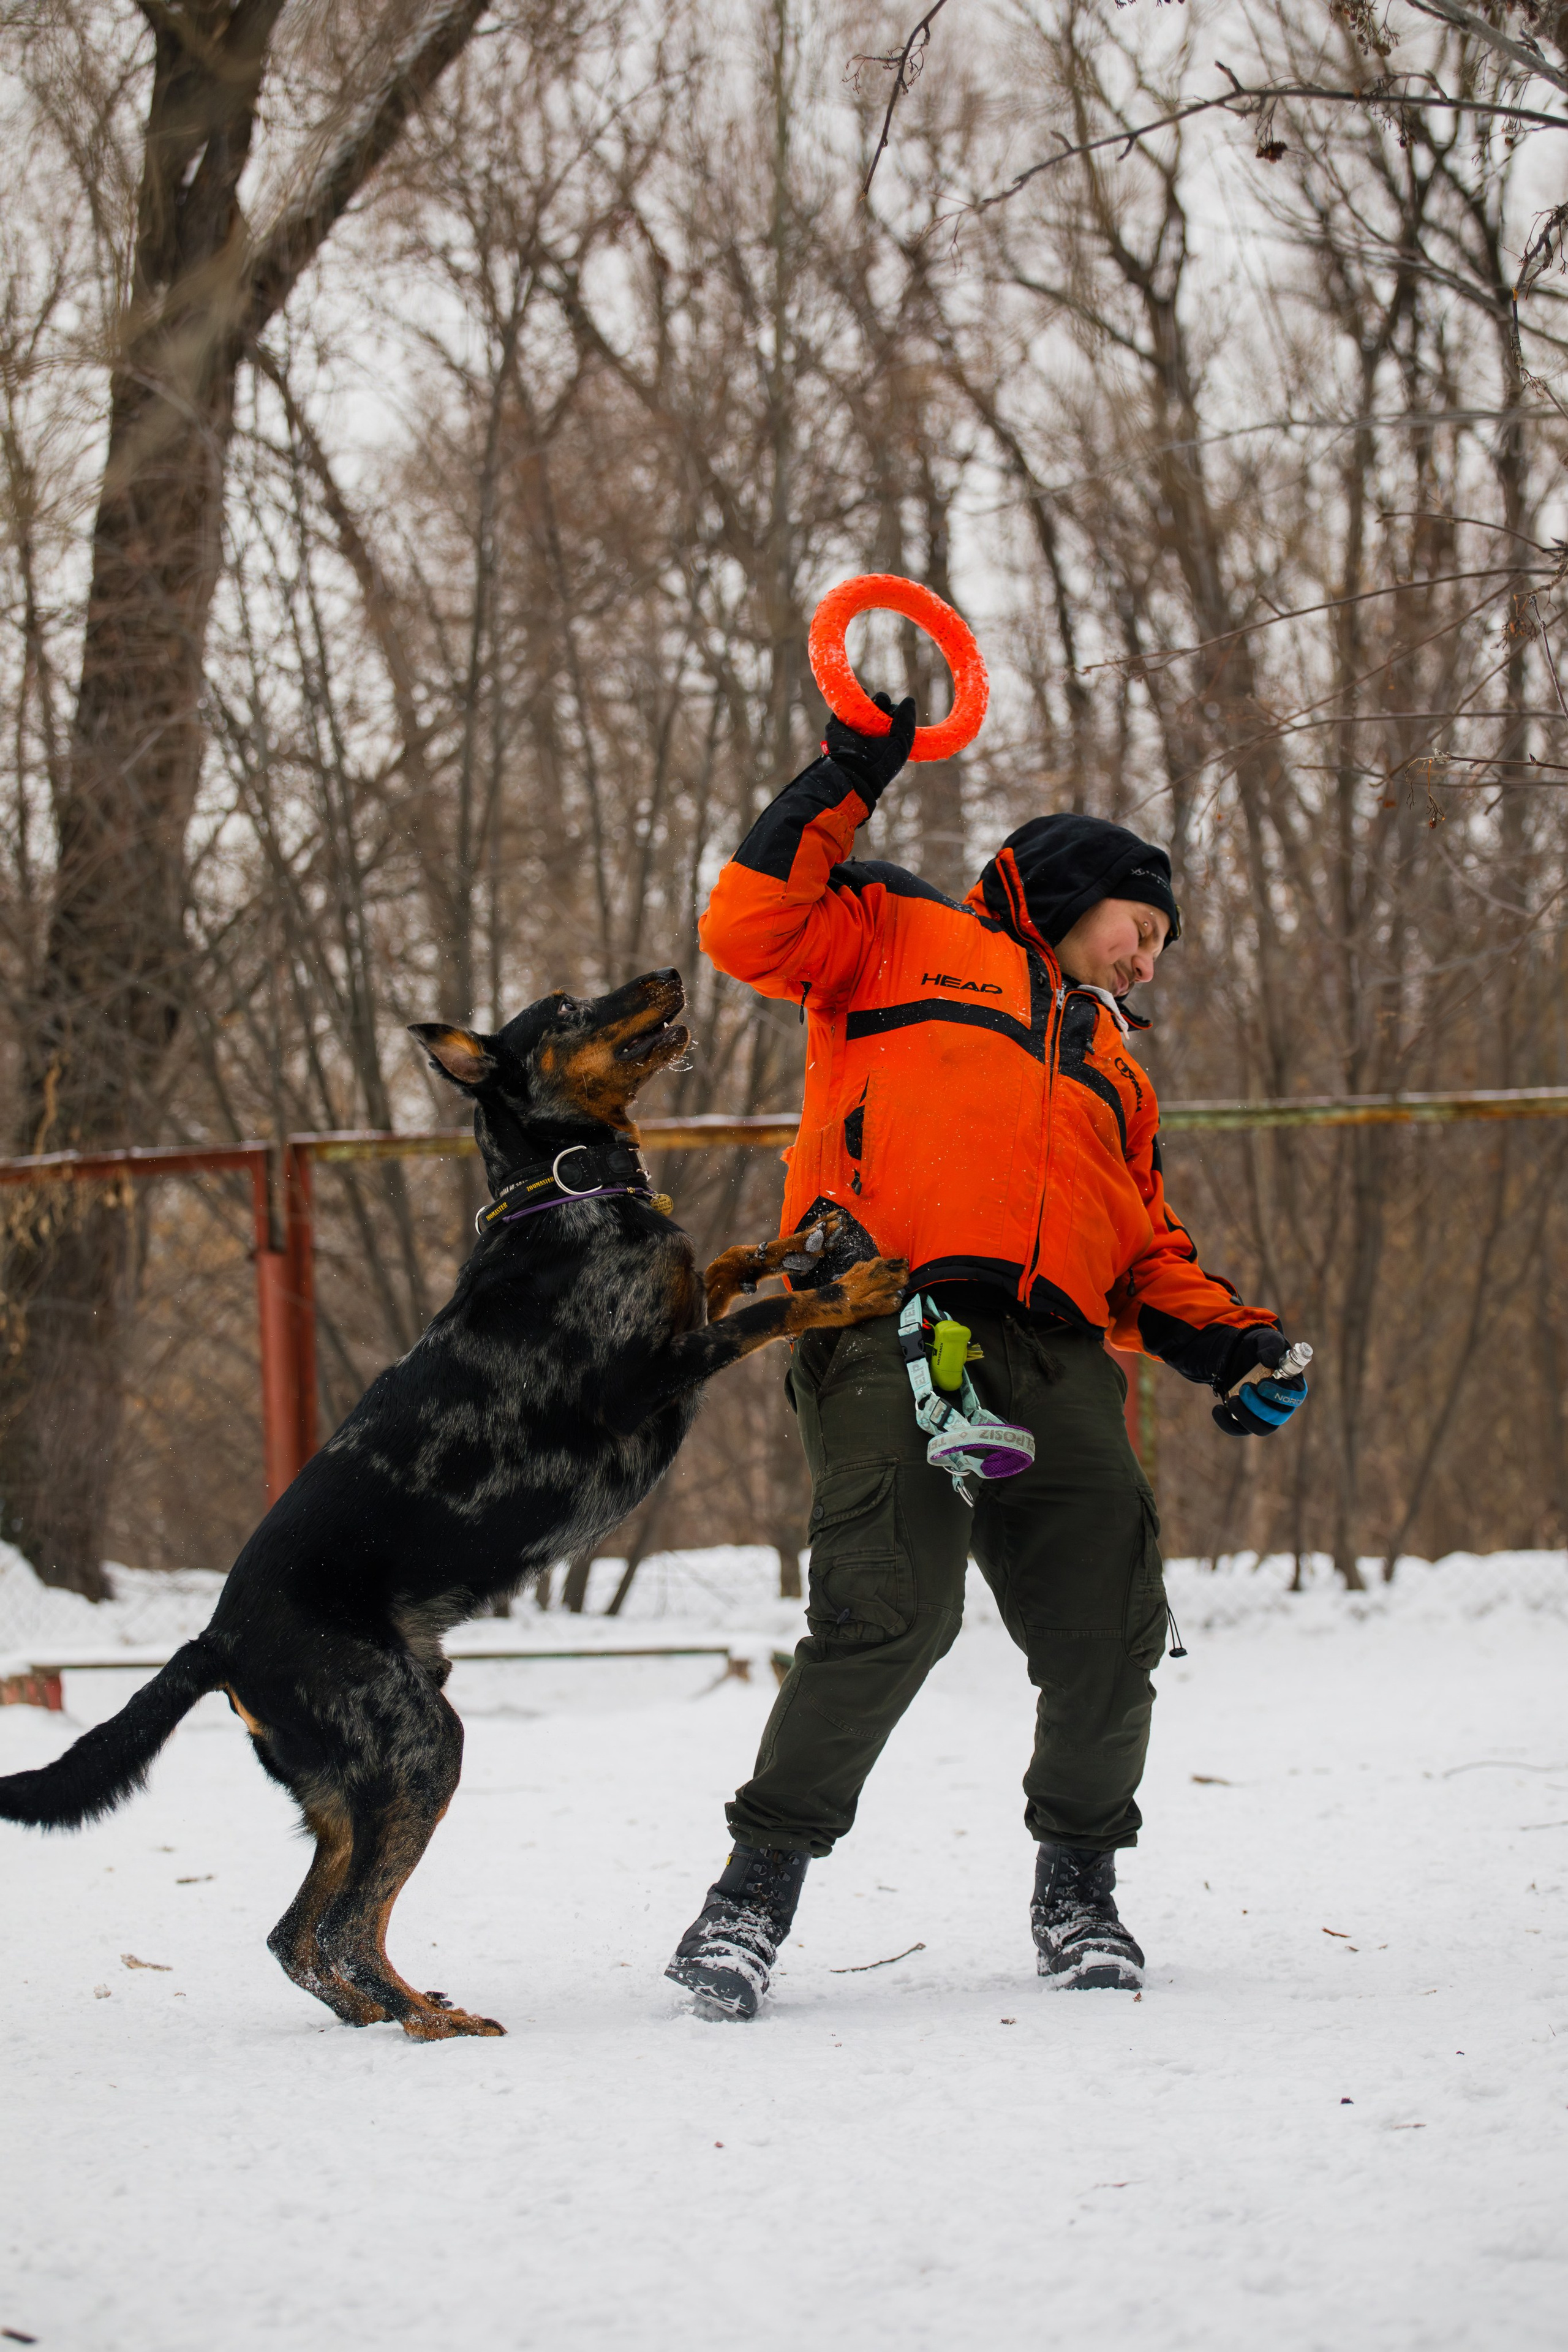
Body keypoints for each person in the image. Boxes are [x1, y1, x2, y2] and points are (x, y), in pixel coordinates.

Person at [665, 692, 1308, 2016]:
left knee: (1109, 1632)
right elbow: (747, 927)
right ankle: (750, 1898)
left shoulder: (1112, 1069)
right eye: (1140, 933)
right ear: (1079, 893)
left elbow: (1141, 1246)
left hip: (1058, 1357)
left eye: (1158, 952)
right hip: (884, 1326)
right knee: (886, 1613)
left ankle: (1078, 1892)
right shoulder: (901, 939)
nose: (1147, 965)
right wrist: (847, 773)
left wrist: (1233, 1342)